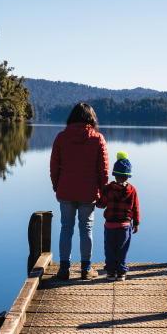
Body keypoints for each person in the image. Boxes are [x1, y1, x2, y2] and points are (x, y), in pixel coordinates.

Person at [49, 103, 109, 280]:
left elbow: (54, 168)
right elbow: (103, 171)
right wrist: (102, 193)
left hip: (66, 191)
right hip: (88, 193)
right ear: (92, 118)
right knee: (86, 229)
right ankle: (86, 269)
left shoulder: (61, 137)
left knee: (66, 229)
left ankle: (64, 270)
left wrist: (58, 188)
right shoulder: (98, 139)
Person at [96, 151, 140, 281]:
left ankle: (110, 272)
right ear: (128, 176)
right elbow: (136, 208)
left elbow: (100, 205)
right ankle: (121, 273)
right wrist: (136, 223)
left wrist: (97, 195)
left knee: (110, 248)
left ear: (114, 174)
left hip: (110, 225)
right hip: (125, 225)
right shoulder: (132, 190)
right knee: (122, 249)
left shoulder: (108, 189)